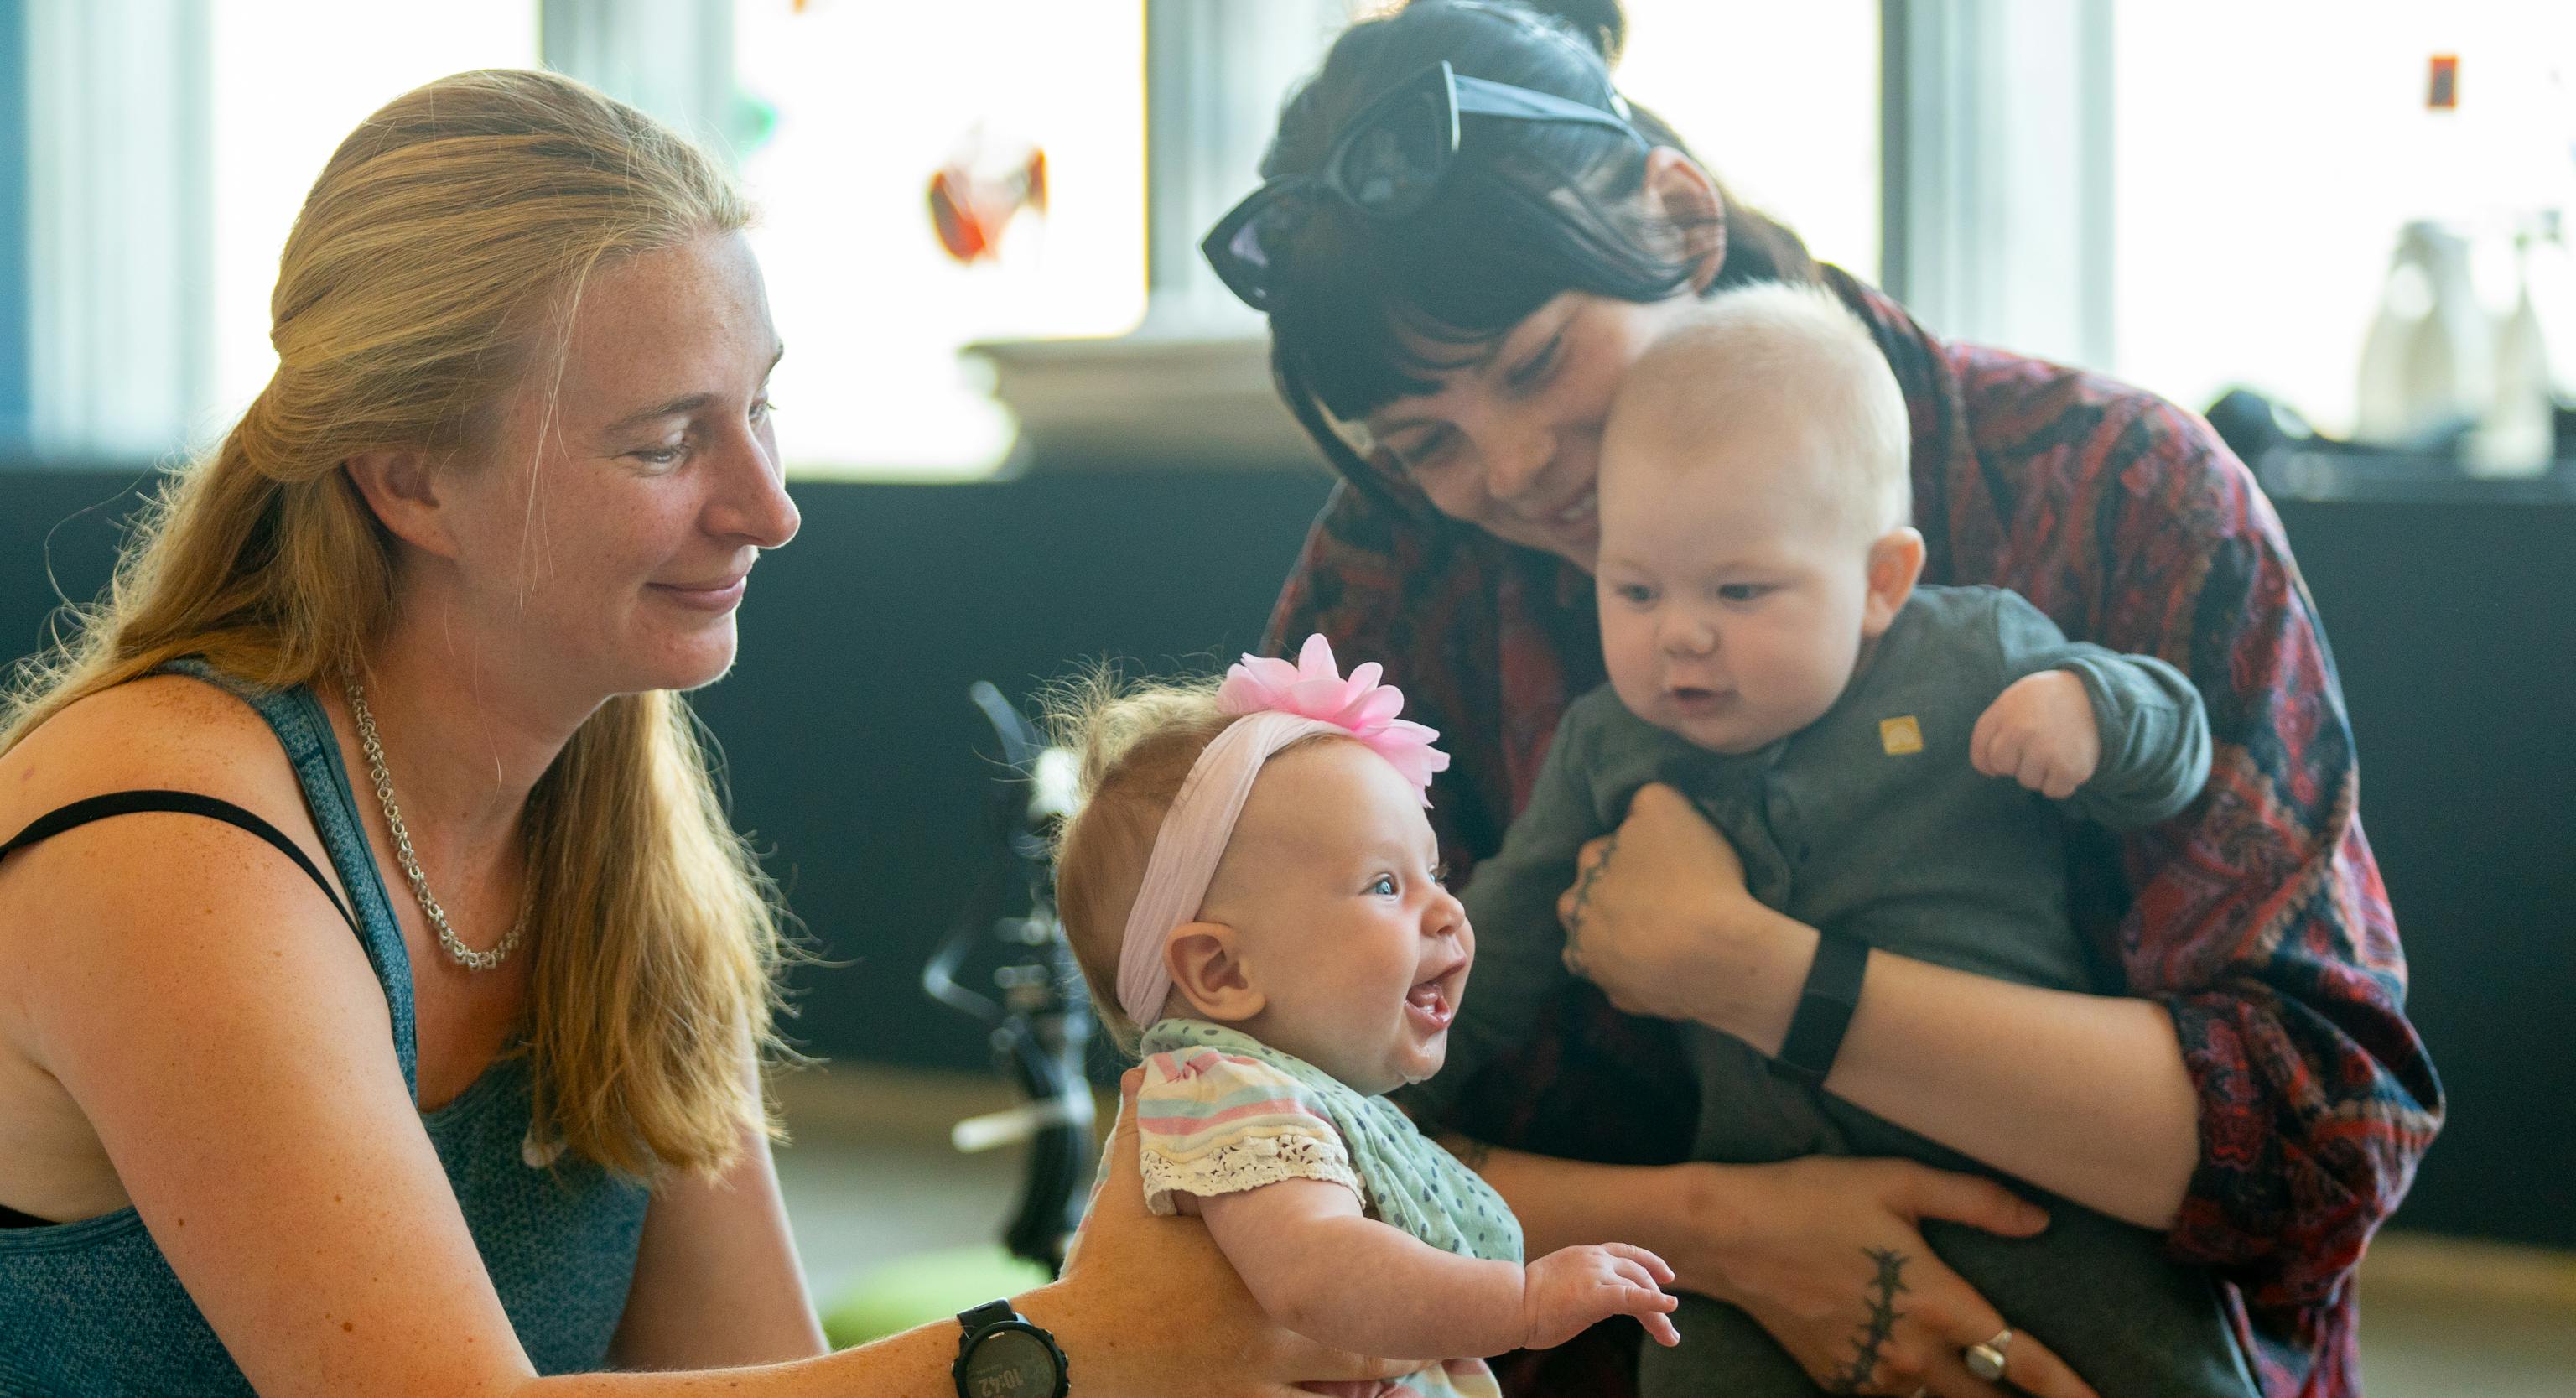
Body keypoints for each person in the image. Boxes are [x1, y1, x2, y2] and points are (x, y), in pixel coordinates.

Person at [0, 69, 1420, 1397]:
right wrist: (1059, 1351)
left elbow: (743, 1361)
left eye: (759, 409)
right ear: (408, 476)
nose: (769, 506)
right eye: (667, 441)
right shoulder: (167, 838)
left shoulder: (608, 803)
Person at [1221, 3, 2444, 1396]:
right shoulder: (1402, 567)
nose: (1513, 472)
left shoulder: (2108, 490)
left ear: (1677, 216)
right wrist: (1724, 1232)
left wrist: (1752, 973)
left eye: (1539, 360)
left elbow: (2322, 1137)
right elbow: (1250, 1115)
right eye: (1424, 439)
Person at [1420, 281, 2259, 1396]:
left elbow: (2182, 743)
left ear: (1881, 582)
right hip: (1767, 1223)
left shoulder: (1975, 656)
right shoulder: (1610, 747)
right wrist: (1363, 1074)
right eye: (1635, 587)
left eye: (1738, 588)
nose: (1681, 634)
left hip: (2043, 1197)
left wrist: (2096, 714)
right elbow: (1498, 951)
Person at [1048, 636, 1681, 1398]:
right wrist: (1525, 1302)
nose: (1448, 908)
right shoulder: (1229, 1094)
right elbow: (1320, 1267)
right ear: (1222, 972)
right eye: (1385, 884)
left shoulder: (1300, 1100)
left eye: (1437, 872)